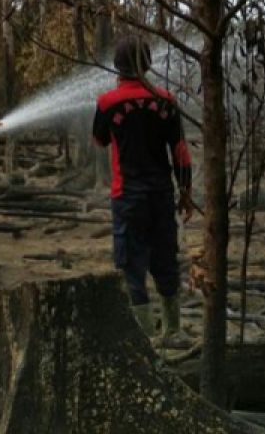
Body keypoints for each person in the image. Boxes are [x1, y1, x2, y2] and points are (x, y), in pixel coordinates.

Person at [93, 35, 193, 341]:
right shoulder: (166, 100)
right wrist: (185, 192)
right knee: (165, 259)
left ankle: (146, 339)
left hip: (127, 197)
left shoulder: (107, 103)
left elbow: (100, 140)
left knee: (131, 267)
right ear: (148, 63)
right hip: (162, 195)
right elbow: (180, 151)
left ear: (117, 67)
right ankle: (173, 331)